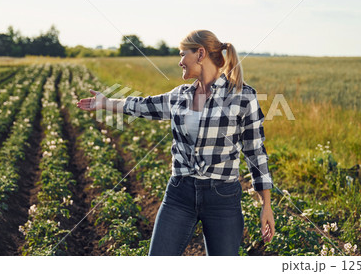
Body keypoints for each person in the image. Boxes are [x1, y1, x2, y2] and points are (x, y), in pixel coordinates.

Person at [76, 30, 275, 256]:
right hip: (180, 194)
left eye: (183, 55)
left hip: (223, 198)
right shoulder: (180, 95)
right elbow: (143, 106)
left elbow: (255, 152)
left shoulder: (243, 96)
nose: (180, 62)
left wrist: (265, 205)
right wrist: (105, 102)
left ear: (200, 54)